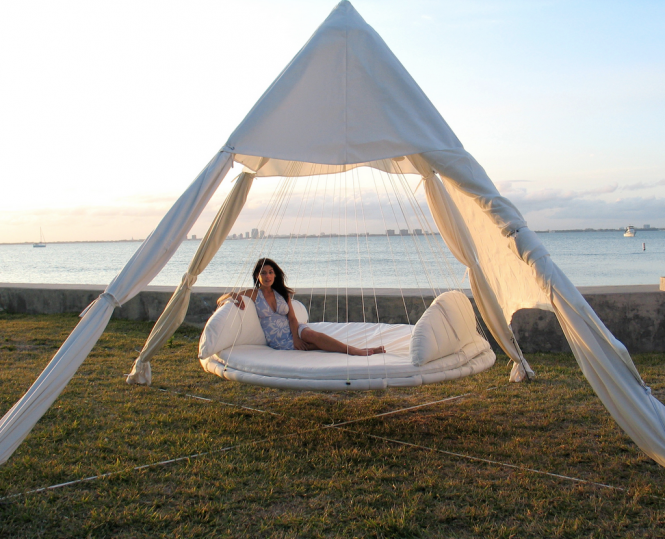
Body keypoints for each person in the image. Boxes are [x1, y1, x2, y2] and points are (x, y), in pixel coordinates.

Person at [217, 258, 385, 356]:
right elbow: (221, 299)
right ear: (257, 276)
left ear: (275, 275)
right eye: (263, 273)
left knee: (313, 335)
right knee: (318, 346)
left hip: (294, 329)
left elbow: (291, 317)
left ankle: (357, 352)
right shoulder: (254, 294)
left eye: (270, 272)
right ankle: (359, 351)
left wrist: (297, 336)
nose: (267, 276)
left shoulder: (281, 293)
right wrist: (232, 295)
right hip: (279, 339)